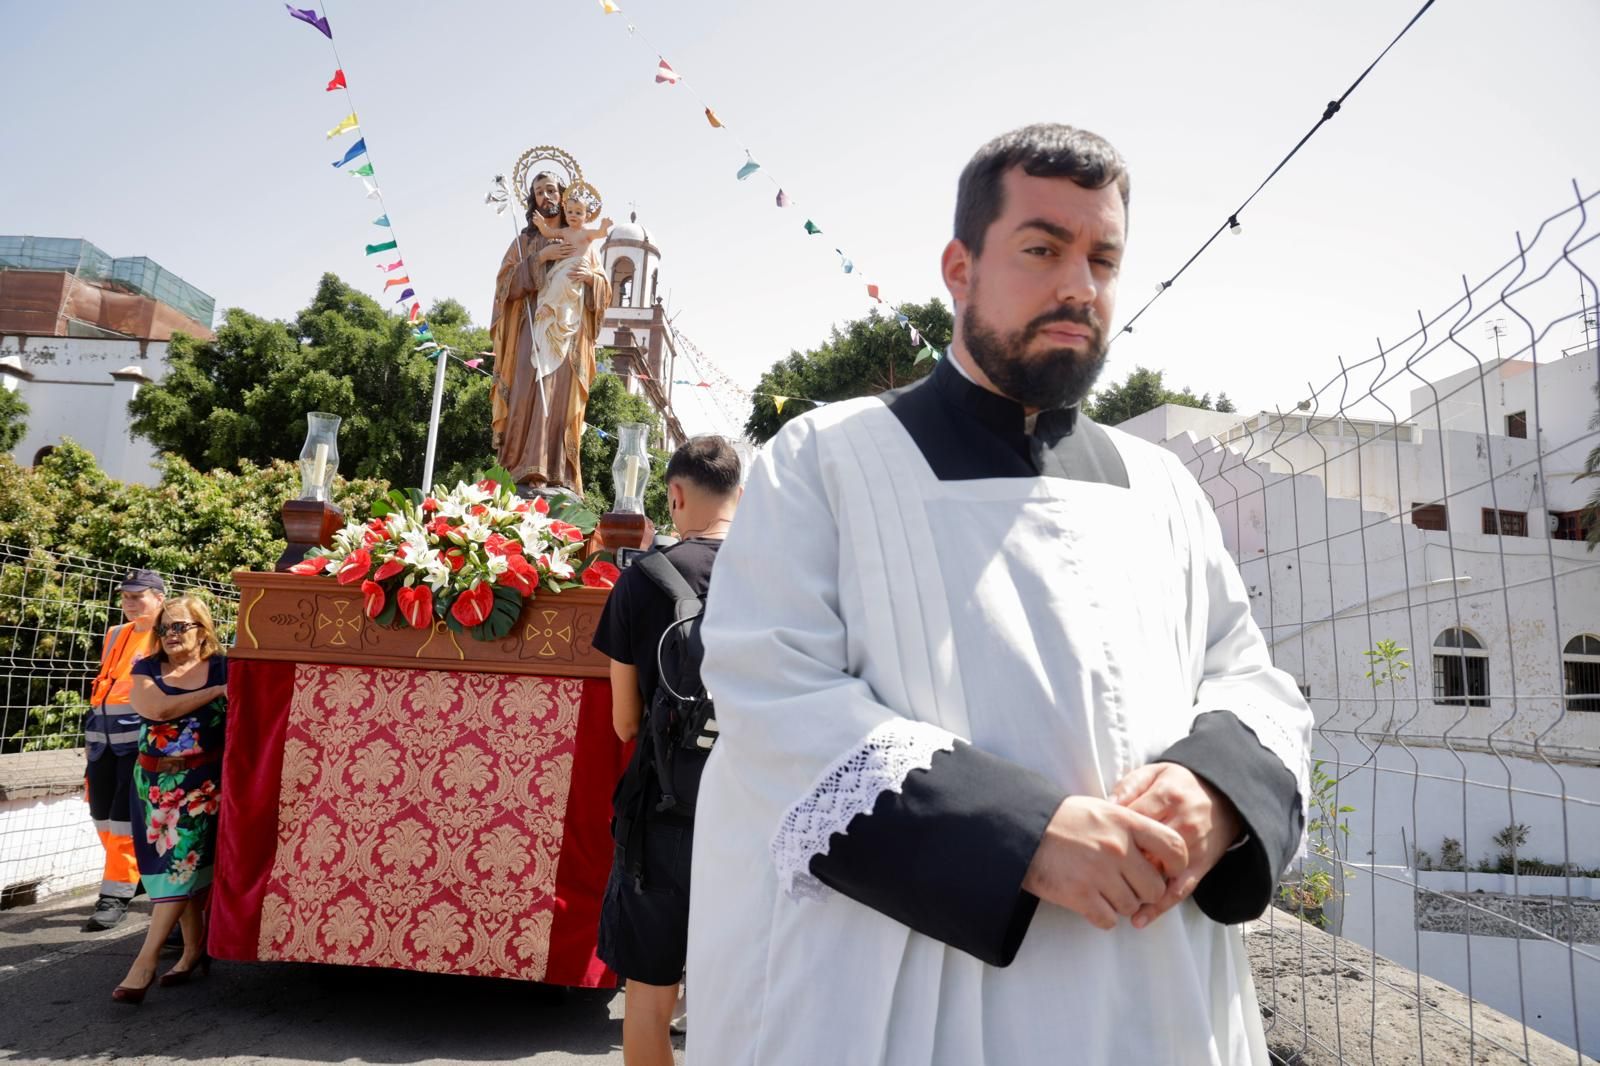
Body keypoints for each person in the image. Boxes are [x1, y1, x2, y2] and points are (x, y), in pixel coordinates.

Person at [686, 123, 1313, 1065]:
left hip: (1156, 993)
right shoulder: (826, 459)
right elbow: (770, 690)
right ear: (960, 267)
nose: (1080, 286)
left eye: (1103, 259)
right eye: (1042, 249)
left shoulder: (1163, 486)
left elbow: (1248, 677)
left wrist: (1213, 792)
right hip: (910, 996)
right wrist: (1024, 837)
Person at [592, 436, 742, 1066]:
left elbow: (626, 722)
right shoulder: (782, 576)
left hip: (665, 817)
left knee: (649, 1006)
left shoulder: (642, 581)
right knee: (747, 1004)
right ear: (740, 496)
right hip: (759, 821)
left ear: (675, 495)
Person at [111, 594, 229, 1003]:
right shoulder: (147, 667)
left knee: (180, 866)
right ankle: (194, 950)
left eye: (180, 626)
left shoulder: (225, 665)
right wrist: (215, 693)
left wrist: (219, 684)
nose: (170, 634)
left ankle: (144, 962)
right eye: (165, 627)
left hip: (202, 785)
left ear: (203, 630)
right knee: (170, 869)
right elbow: (157, 709)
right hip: (152, 784)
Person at [491, 171, 612, 492]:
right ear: (532, 200)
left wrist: (592, 279)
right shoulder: (524, 243)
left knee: (559, 398)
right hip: (530, 331)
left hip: (568, 335)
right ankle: (518, 468)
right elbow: (503, 288)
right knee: (524, 394)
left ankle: (557, 473)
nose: (546, 197)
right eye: (539, 192)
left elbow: (602, 290)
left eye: (551, 190)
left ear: (563, 194)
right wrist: (540, 258)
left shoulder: (582, 239)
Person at [81, 569, 164, 931]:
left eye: (138, 596)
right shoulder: (116, 633)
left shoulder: (168, 635)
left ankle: (114, 896)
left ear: (159, 597)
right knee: (100, 813)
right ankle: (135, 873)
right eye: (125, 596)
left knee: (123, 819)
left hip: (139, 740)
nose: (130, 603)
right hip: (101, 738)